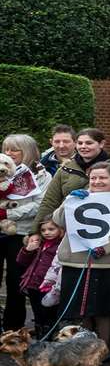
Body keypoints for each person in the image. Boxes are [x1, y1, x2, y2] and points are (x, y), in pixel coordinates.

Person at [51, 160, 110, 354]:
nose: (97, 182)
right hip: (76, 261)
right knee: (81, 310)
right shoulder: (78, 198)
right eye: (93, 178)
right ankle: (86, 348)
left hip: (109, 263)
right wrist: (69, 201)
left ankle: (104, 349)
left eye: (103, 178)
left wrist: (105, 248)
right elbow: (58, 221)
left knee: (104, 308)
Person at [1, 133, 46, 331]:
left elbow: (39, 205)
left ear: (26, 151)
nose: (9, 153)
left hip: (21, 233)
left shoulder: (40, 174)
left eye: (14, 149)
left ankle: (14, 327)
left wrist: (7, 212)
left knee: (15, 281)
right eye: (6, 149)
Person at [37, 128, 109, 230]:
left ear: (101, 144)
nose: (83, 147)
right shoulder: (66, 168)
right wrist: (35, 231)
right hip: (65, 225)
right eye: (80, 143)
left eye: (89, 143)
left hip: (100, 225)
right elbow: (49, 201)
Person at [17, 217, 65, 333]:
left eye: (51, 229)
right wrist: (28, 250)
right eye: (43, 230)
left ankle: (49, 340)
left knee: (49, 315)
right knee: (38, 314)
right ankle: (40, 336)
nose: (47, 232)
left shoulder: (61, 246)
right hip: (33, 285)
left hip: (49, 287)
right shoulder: (39, 244)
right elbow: (21, 261)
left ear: (60, 229)